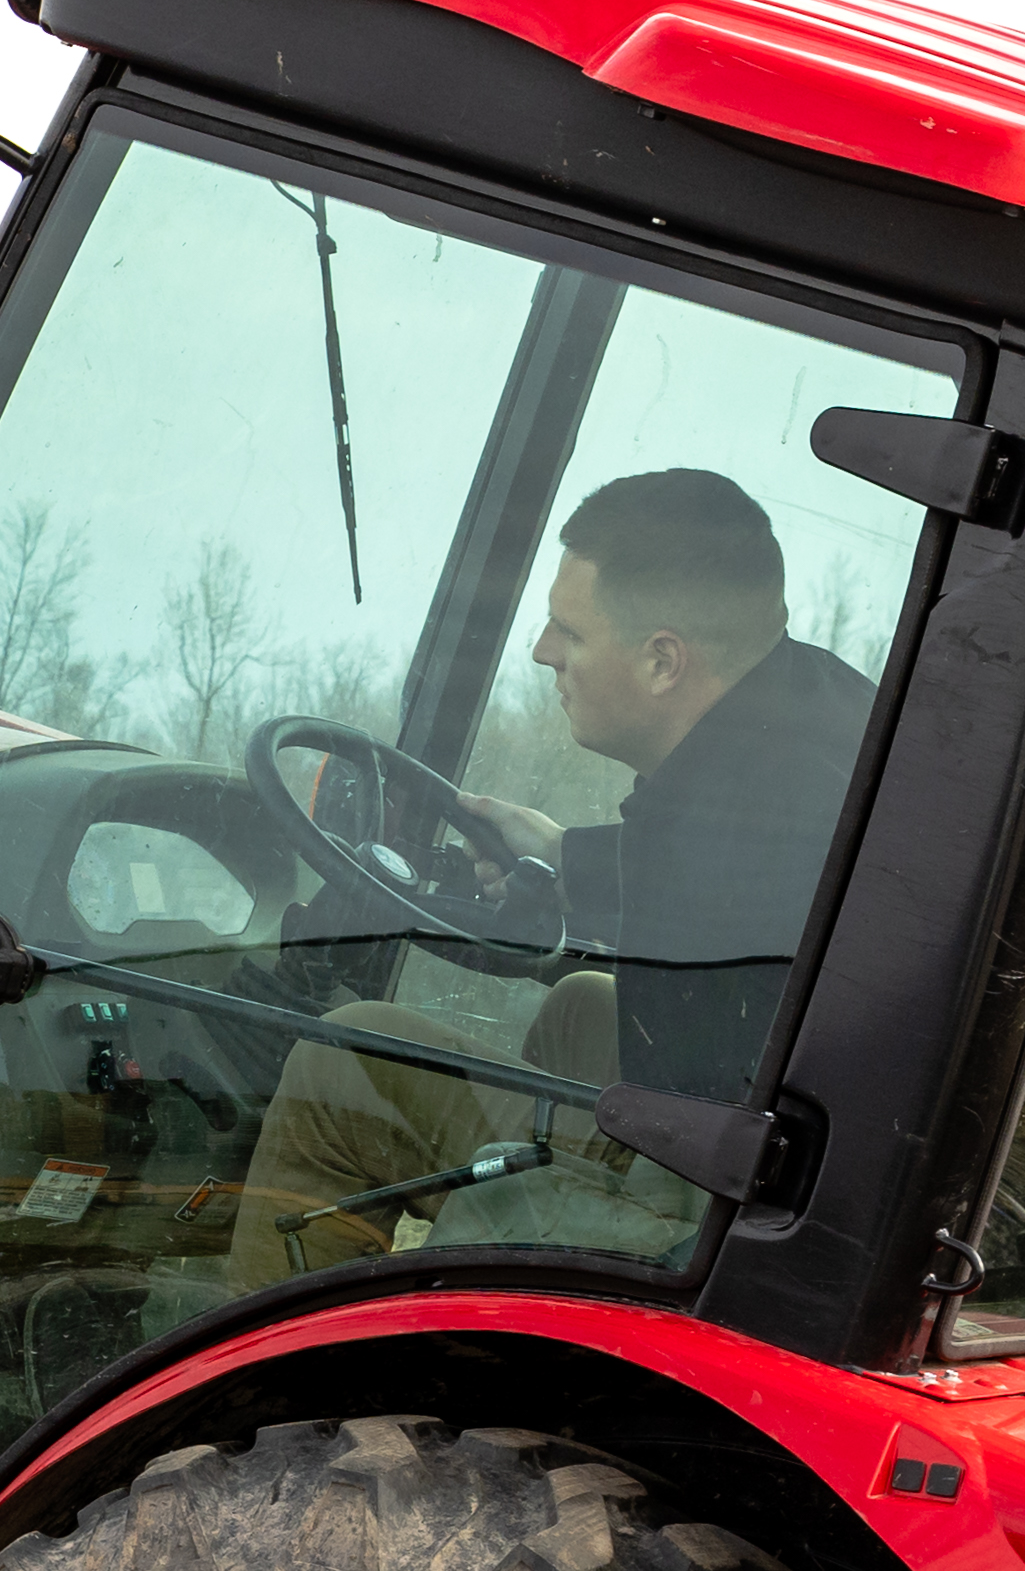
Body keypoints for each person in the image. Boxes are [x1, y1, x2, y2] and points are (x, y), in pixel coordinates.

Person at [229, 469, 873, 1268]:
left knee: (344, 1058)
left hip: (725, 1212)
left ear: (662, 661)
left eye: (568, 632)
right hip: (795, 1134)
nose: (542, 652)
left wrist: (535, 893)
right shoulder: (815, 716)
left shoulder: (741, 824)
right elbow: (710, 860)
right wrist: (563, 857)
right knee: (581, 1005)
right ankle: (493, 1262)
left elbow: (711, 861)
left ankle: (280, 1346)